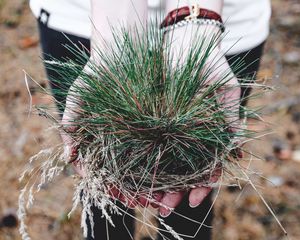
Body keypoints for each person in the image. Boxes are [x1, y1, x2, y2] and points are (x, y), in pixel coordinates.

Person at [30, 0, 271, 239]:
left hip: (224, 23)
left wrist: (194, 25)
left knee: (193, 182)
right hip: (86, 18)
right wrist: (115, 39)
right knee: (102, 188)